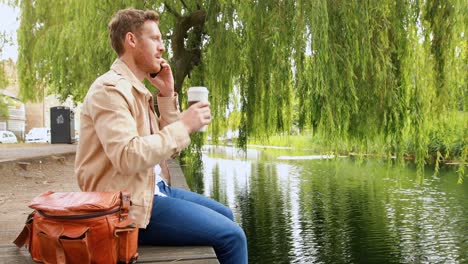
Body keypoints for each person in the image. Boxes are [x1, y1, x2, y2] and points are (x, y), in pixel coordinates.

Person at [74, 8, 247, 264]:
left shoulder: (137, 90)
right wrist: (185, 125)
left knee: (225, 214)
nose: (162, 48)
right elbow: (127, 156)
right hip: (124, 206)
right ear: (131, 40)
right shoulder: (109, 90)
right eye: (155, 39)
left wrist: (166, 95)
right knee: (234, 237)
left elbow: (170, 149)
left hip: (152, 189)